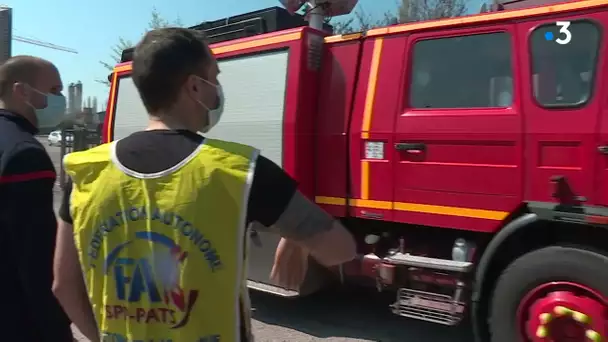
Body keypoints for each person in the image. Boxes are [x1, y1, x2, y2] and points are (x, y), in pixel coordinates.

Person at [53, 27, 356, 342]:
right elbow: (340, 249)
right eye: (216, 77)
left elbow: (63, 285)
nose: (219, 89)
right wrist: (295, 237)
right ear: (195, 87)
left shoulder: (87, 170)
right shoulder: (239, 169)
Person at [0, 56, 73, 341]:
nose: (61, 99)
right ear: (22, 92)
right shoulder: (25, 155)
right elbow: (36, 265)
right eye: (54, 91)